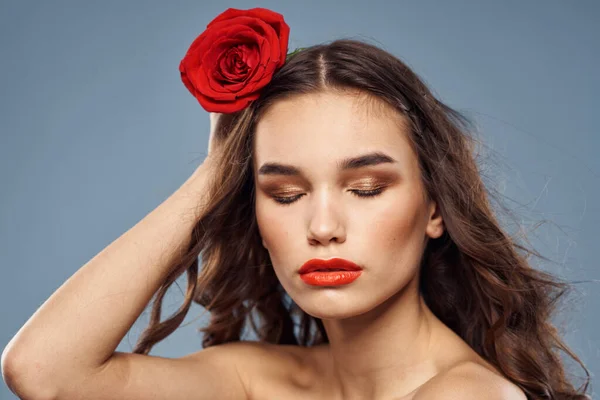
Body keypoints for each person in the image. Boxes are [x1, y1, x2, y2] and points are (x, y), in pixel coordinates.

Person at [1, 7, 591, 400]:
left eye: (365, 189)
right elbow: (45, 372)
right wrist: (219, 171)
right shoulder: (258, 378)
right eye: (284, 193)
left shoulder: (467, 396)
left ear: (435, 208)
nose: (323, 226)